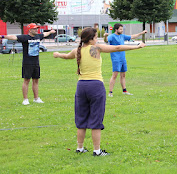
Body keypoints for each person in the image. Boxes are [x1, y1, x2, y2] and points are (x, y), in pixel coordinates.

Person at [53, 27, 146, 156]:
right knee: (96, 119)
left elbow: (66, 56)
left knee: (81, 119)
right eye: (96, 37)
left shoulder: (77, 50)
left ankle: (79, 148)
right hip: (95, 86)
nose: (97, 40)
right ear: (91, 39)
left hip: (81, 86)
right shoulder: (96, 49)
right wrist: (137, 46)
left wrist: (57, 55)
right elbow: (117, 48)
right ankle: (97, 151)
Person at [1, 23, 56, 105]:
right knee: (26, 80)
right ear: (30, 30)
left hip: (36, 62)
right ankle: (25, 99)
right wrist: (2, 36)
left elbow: (45, 34)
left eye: (37, 28)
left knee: (36, 80)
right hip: (27, 63)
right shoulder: (25, 37)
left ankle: (36, 98)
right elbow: (13, 37)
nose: (36, 30)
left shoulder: (38, 37)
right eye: (34, 29)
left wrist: (51, 32)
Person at [103, 23, 147, 97]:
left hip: (123, 58)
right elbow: (106, 40)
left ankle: (124, 91)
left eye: (122, 29)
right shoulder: (112, 36)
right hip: (116, 59)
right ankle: (110, 92)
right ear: (116, 30)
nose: (122, 31)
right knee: (115, 75)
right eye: (120, 29)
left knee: (123, 75)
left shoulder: (122, 36)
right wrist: (105, 36)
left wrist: (142, 33)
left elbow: (132, 36)